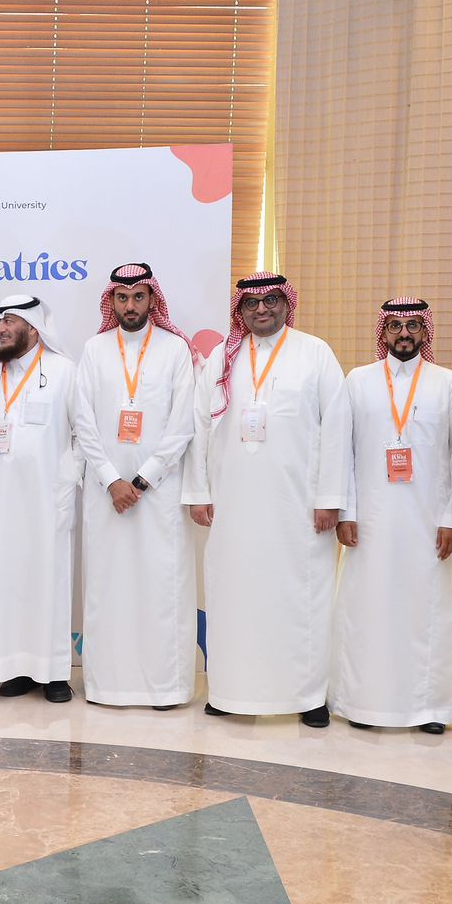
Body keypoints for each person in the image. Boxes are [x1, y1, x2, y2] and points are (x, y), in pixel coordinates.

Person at [187, 272, 344, 725]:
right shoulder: (223, 357)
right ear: (240, 309)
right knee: (232, 596)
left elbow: (337, 427)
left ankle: (308, 697)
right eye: (252, 303)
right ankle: (230, 690)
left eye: (271, 300)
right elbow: (199, 427)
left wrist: (330, 497)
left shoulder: (315, 353)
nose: (262, 309)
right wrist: (198, 491)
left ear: (286, 304)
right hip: (233, 506)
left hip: (298, 509)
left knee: (300, 598)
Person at [316, 299, 452, 732]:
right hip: (371, 522)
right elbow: (342, 451)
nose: (404, 334)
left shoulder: (448, 384)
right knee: (368, 610)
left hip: (429, 524)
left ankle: (429, 708)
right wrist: (346, 511)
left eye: (413, 325)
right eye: (395, 325)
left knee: (425, 613)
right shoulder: (358, 381)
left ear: (425, 331)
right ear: (383, 332)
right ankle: (362, 704)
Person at [73, 264, 197, 709]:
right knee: (108, 586)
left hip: (158, 495)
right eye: (122, 298)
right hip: (105, 493)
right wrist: (111, 479)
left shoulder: (175, 350)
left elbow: (183, 424)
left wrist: (142, 480)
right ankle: (108, 685)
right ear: (112, 301)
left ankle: (166, 687)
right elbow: (83, 420)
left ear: (152, 299)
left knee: (161, 585)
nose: (130, 306)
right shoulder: (94, 349)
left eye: (138, 297)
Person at [0, 295, 81, 703]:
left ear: (33, 327)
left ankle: (54, 674)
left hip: (47, 499)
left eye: (10, 322)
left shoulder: (63, 371)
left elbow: (82, 433)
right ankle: (14, 668)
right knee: (5, 584)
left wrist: (67, 479)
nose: (1, 329)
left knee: (47, 583)